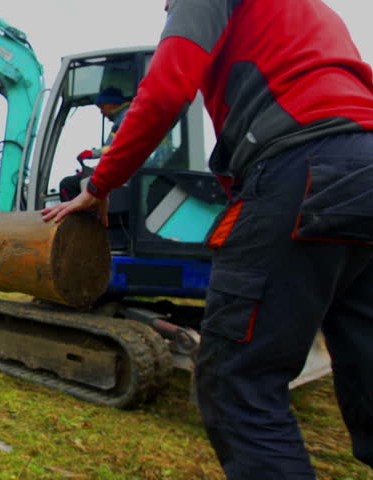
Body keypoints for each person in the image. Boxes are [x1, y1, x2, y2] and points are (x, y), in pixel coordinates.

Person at [42, 0, 373, 478]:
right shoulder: (310, 12)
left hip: (300, 170)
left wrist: (99, 186)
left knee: (238, 382)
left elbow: (165, 89)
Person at [58, 87, 130, 201]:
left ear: (112, 103)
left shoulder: (125, 117)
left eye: (102, 107)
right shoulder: (122, 117)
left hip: (127, 175)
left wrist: (92, 153)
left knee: (67, 185)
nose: (101, 112)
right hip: (125, 171)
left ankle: (77, 219)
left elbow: (114, 149)